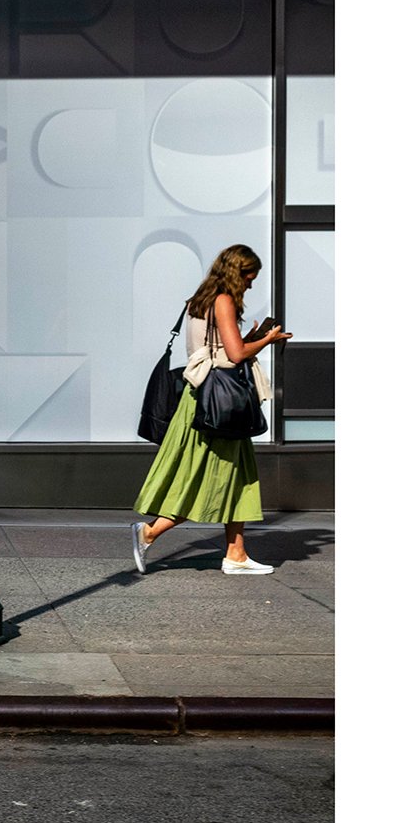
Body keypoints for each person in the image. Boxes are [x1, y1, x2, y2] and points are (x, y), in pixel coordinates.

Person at [131, 243, 292, 575]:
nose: (250, 284)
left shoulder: (198, 301)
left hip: (202, 399)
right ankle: (149, 532)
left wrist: (251, 337)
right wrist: (268, 340)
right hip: (219, 406)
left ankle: (236, 554)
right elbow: (234, 355)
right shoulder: (223, 300)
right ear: (237, 273)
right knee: (205, 478)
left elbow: (219, 345)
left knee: (239, 476)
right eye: (249, 277)